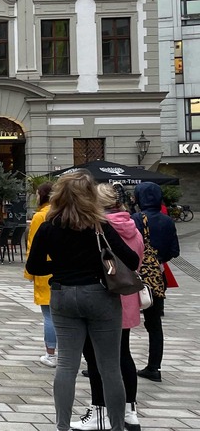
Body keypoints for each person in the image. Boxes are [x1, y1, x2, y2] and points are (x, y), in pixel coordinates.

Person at [26, 170, 140, 431]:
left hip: (63, 294)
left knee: (67, 364)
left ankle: (62, 425)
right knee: (109, 366)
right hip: (99, 294)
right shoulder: (100, 226)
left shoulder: (48, 226)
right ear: (90, 196)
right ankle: (116, 426)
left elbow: (34, 266)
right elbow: (131, 261)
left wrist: (61, 268)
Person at [70, 183, 145, 430]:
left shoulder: (98, 228)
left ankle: (99, 411)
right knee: (123, 354)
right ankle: (130, 410)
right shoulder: (133, 226)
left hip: (104, 297)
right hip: (128, 295)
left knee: (95, 358)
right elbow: (138, 261)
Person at [130, 182, 179, 382]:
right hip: (157, 277)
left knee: (119, 322)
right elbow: (174, 251)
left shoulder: (136, 219)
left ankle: (109, 363)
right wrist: (158, 259)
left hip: (136, 277)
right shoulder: (167, 221)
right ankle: (154, 367)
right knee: (154, 324)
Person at [25, 182, 56, 367]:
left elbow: (33, 246)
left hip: (45, 269)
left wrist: (30, 273)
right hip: (65, 267)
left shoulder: (40, 216)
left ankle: (50, 354)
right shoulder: (66, 212)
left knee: (49, 315)